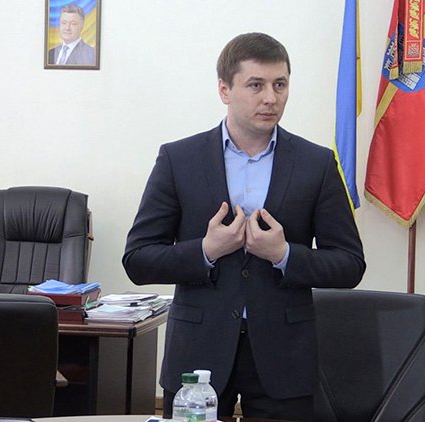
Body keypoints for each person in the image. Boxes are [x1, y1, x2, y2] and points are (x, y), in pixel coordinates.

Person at [123, 32, 365, 421]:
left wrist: (283, 255)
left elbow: (350, 264)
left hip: (284, 357)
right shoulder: (179, 159)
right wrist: (207, 251)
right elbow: (138, 259)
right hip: (197, 356)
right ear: (224, 89)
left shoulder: (316, 164)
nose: (270, 98)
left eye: (280, 85)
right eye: (256, 85)